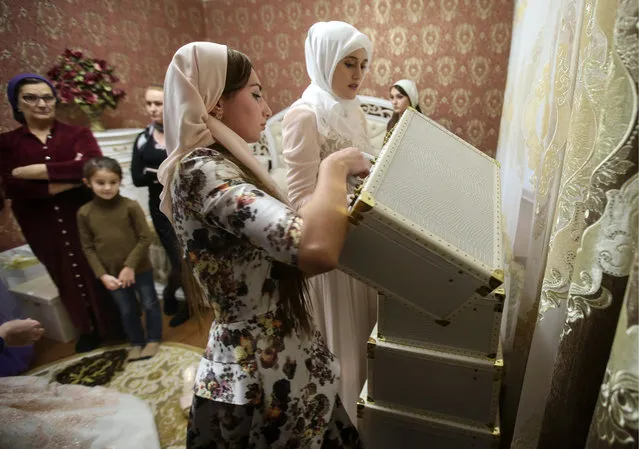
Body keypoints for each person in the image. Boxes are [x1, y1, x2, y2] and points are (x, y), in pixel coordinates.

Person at [157, 42, 367, 448]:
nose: (268, 108)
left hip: (281, 347)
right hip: (261, 367)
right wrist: (334, 166)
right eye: (256, 94)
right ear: (215, 103)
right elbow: (314, 248)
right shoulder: (203, 169)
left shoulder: (220, 164)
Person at [281, 21, 378, 421]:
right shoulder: (304, 115)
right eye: (348, 64)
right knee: (342, 341)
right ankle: (342, 422)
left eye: (363, 65)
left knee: (368, 333)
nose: (358, 75)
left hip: (364, 240)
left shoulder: (354, 110)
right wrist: (345, 198)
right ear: (324, 61)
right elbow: (299, 200)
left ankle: (371, 413)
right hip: (332, 250)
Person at [0, 73, 115, 353]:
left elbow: (92, 168)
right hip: (39, 223)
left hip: (83, 216)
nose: (41, 103)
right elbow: (12, 186)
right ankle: (86, 330)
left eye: (47, 96)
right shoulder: (6, 143)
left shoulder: (79, 134)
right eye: (31, 97)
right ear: (17, 103)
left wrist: (37, 172)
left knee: (97, 268)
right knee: (62, 274)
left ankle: (113, 327)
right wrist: (71, 176)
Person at [77, 157, 162, 361]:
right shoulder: (84, 213)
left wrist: (129, 266)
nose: (107, 188)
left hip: (139, 269)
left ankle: (153, 338)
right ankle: (136, 342)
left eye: (113, 182)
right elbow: (88, 248)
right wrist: (102, 275)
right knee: (127, 310)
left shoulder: (130, 206)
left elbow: (145, 238)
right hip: (111, 275)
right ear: (87, 183)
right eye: (101, 183)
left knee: (149, 304)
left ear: (120, 182)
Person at [131, 84, 190, 328]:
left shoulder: (183, 133)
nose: (154, 109)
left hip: (185, 206)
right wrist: (164, 174)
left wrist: (154, 173)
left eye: (159, 103)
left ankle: (168, 291)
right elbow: (136, 177)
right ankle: (185, 303)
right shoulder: (143, 139)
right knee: (179, 259)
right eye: (149, 103)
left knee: (188, 257)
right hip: (160, 208)